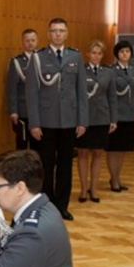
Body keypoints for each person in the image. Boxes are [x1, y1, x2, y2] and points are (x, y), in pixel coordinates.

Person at [25, 18, 89, 221]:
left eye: (61, 31)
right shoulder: (38, 58)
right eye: (54, 31)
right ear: (48, 33)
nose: (58, 34)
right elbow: (32, 93)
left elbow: (81, 92)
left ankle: (62, 205)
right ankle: (46, 206)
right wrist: (34, 122)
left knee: (65, 165)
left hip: (69, 121)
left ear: (67, 33)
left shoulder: (75, 57)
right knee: (46, 164)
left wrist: (82, 120)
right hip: (45, 121)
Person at [76, 40, 117, 203]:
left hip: (101, 118)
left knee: (98, 154)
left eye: (99, 53)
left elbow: (112, 97)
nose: (96, 56)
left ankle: (93, 188)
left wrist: (113, 119)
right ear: (88, 54)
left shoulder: (108, 72)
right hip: (84, 119)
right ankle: (83, 189)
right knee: (82, 153)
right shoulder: (81, 71)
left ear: (102, 55)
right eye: (93, 53)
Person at [106, 40, 134, 193]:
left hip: (131, 115)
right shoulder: (111, 71)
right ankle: (114, 180)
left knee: (123, 150)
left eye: (127, 51)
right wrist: (111, 117)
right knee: (113, 149)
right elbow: (109, 95)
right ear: (117, 55)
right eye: (121, 52)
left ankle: (117, 177)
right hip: (116, 116)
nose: (125, 54)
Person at [5, 28, 39, 151]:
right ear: (22, 42)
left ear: (37, 41)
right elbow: (11, 88)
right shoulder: (16, 62)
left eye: (33, 40)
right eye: (27, 40)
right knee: (22, 146)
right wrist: (13, 110)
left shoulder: (42, 60)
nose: (30, 43)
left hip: (40, 111)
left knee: (39, 146)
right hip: (23, 111)